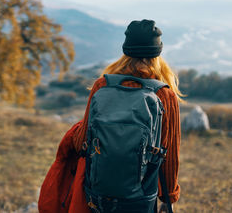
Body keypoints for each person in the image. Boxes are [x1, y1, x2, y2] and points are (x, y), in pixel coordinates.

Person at [39, 19, 182, 213]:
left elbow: (82, 141)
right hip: (140, 197)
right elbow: (169, 154)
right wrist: (168, 198)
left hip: (97, 193)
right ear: (157, 53)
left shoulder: (102, 85)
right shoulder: (164, 95)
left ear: (126, 50)